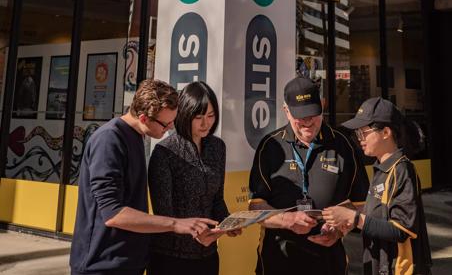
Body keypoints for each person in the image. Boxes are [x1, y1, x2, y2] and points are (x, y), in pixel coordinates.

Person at [70, 79, 218, 275]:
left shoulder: (137, 136)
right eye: (165, 124)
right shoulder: (108, 140)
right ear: (143, 118)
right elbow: (113, 214)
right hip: (101, 265)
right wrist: (176, 223)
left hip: (129, 262)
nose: (170, 128)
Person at [248, 76, 369, 275]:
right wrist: (287, 220)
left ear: (322, 106)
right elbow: (255, 206)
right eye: (300, 116)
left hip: (328, 260)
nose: (307, 122)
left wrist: (340, 230)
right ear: (286, 111)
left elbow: (361, 203)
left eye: (312, 114)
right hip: (278, 259)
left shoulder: (344, 146)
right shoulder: (270, 146)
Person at [322, 97, 432, 275]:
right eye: (357, 134)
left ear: (386, 132)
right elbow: (378, 216)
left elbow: (403, 228)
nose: (359, 139)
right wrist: (346, 222)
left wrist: (355, 218)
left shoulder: (402, 170)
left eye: (363, 133)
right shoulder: (381, 168)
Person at [147, 81, 240, 275]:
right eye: (198, 117)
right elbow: (163, 214)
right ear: (184, 115)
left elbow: (217, 199)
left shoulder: (217, 147)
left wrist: (227, 223)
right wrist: (196, 235)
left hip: (208, 255)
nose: (206, 123)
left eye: (211, 116)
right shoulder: (165, 152)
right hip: (171, 257)